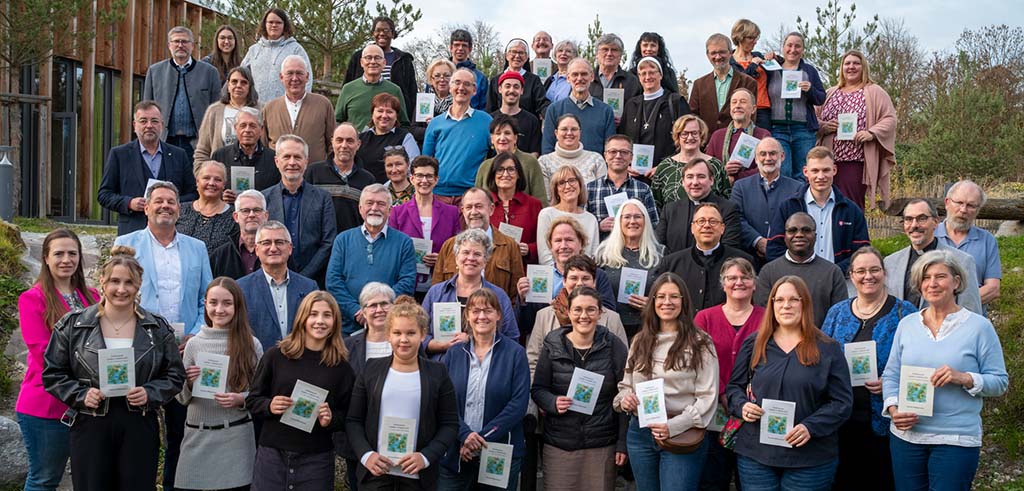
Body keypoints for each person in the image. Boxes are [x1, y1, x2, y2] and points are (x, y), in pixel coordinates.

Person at [42, 246, 186, 490]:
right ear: (102, 282)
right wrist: (81, 394)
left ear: (138, 285)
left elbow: (174, 375)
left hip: (139, 423)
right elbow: (53, 373)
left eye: (129, 282)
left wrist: (150, 392)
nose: (121, 289)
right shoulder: (73, 326)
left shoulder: (157, 328)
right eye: (115, 281)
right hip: (91, 422)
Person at [113, 180, 212, 490]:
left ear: (179, 209)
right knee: (134, 427)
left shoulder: (197, 247)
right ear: (147, 206)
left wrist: (195, 334)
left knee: (179, 429)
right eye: (159, 201)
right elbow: (115, 297)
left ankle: (173, 485)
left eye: (171, 201)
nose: (166, 206)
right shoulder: (126, 244)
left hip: (182, 351)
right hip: (137, 350)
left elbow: (205, 298)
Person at [882, 251, 1008, 491]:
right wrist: (893, 409)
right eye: (926, 277)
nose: (932, 283)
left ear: (957, 282)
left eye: (940, 276)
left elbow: (1000, 382)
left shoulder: (979, 327)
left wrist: (964, 377)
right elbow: (891, 375)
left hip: (956, 439)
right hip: (906, 437)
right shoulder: (907, 325)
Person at [727, 276, 853, 490]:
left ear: (805, 304)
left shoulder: (827, 348)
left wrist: (809, 427)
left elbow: (842, 403)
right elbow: (734, 388)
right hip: (757, 456)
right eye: (779, 300)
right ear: (772, 304)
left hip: (810, 457)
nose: (786, 306)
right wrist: (742, 406)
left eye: (794, 300)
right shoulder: (755, 343)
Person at [821, 247, 917, 491]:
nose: (868, 276)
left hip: (884, 421)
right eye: (860, 271)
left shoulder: (905, 313)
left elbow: (919, 361)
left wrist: (891, 381)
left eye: (874, 270)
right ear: (851, 275)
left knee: (881, 481)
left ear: (884, 273)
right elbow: (822, 359)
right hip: (841, 420)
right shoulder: (837, 313)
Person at [614, 273, 718, 491]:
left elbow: (708, 397)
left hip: (681, 433)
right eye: (660, 297)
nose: (667, 302)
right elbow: (626, 385)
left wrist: (674, 426)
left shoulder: (701, 342)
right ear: (652, 302)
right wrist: (626, 400)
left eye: (674, 296)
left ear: (684, 301)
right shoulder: (640, 340)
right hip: (641, 433)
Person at [345, 302, 460, 489]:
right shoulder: (371, 369)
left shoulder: (438, 373)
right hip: (376, 474)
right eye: (397, 333)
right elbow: (353, 420)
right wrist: (367, 455)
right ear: (388, 335)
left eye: (411, 333)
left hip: (418, 477)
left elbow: (449, 424)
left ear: (423, 334)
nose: (403, 339)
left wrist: (425, 457)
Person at [246, 291, 355, 491]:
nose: (320, 321)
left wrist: (330, 419)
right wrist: (270, 405)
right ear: (302, 318)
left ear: (335, 321)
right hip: (273, 455)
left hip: (316, 460)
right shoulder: (276, 356)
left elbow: (348, 416)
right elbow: (252, 400)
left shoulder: (342, 369)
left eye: (327, 315)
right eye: (313, 314)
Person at [17, 229, 99, 490]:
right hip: (47, 406)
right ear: (45, 258)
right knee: (44, 479)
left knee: (87, 479)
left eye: (72, 253)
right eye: (59, 253)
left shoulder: (94, 297)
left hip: (88, 405)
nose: (67, 259)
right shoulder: (32, 299)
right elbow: (42, 353)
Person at [531, 286, 628, 491]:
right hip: (560, 444)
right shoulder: (553, 343)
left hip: (602, 444)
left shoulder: (613, 345)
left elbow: (624, 393)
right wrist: (552, 402)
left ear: (600, 313)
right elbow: (538, 389)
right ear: (568, 312)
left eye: (591, 310)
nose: (584, 316)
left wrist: (622, 443)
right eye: (577, 310)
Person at [176, 277, 264, 491]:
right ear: (205, 304)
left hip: (236, 438)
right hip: (197, 436)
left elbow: (261, 394)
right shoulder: (194, 344)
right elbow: (181, 398)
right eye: (213, 302)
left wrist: (241, 398)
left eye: (227, 303)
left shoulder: (251, 344)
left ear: (237, 306)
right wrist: (188, 383)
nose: (219, 309)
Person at [439, 288, 531, 490]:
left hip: (499, 451)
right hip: (455, 451)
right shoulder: (453, 354)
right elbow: (442, 403)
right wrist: (464, 435)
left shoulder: (516, 353)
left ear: (498, 315)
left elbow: (518, 404)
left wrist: (479, 439)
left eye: (488, 310)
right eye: (476, 311)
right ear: (467, 316)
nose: (482, 316)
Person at [693, 257, 764, 491]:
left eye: (745, 277)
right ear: (723, 284)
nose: (738, 282)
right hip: (714, 410)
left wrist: (741, 399)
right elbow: (698, 362)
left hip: (754, 411)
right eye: (732, 278)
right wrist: (724, 393)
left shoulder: (767, 319)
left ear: (754, 283)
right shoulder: (705, 318)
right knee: (713, 477)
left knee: (750, 479)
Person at [326, 184, 417, 334]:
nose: (374, 208)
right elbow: (333, 281)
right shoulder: (343, 240)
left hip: (388, 325)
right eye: (369, 203)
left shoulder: (404, 242)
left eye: (381, 204)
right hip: (348, 326)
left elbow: (407, 282)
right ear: (360, 208)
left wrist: (380, 310)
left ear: (390, 210)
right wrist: (356, 311)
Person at [98, 100, 197, 235]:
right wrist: (129, 203)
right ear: (134, 125)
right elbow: (104, 195)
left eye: (154, 121)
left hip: (172, 232)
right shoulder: (119, 155)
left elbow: (193, 194)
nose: (149, 126)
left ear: (162, 125)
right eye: (143, 121)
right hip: (133, 231)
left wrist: (171, 204)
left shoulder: (179, 155)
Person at [766, 146, 870, 272]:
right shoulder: (788, 207)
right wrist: (796, 272)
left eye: (826, 170)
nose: (820, 176)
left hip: (840, 281)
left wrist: (834, 272)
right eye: (815, 171)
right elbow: (774, 250)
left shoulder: (851, 211)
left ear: (834, 170)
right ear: (805, 172)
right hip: (797, 281)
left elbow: (862, 252)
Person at [817, 49, 897, 209]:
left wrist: (871, 133)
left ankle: (855, 234)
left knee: (850, 205)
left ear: (863, 67)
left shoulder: (875, 92)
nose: (851, 67)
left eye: (856, 63)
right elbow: (812, 119)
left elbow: (890, 119)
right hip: (828, 161)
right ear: (842, 68)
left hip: (855, 160)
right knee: (825, 204)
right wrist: (824, 126)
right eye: (847, 63)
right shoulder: (830, 93)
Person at [337, 283, 397, 490]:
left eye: (384, 304)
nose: (379, 310)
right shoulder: (347, 347)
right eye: (372, 306)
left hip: (399, 436)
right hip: (358, 440)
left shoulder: (407, 344)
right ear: (362, 312)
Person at [423, 229, 519, 356]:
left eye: (477, 254)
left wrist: (473, 342)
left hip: (484, 368)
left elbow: (511, 338)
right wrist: (443, 345)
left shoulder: (498, 296)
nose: (471, 258)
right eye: (465, 252)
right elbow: (420, 335)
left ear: (485, 261)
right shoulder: (436, 293)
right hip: (440, 369)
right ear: (456, 258)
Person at [526, 255, 628, 373]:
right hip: (554, 389)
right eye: (573, 278)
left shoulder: (613, 319)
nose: (579, 283)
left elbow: (624, 364)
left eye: (585, 278)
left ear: (594, 282)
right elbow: (533, 360)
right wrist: (539, 390)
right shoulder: (543, 316)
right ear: (564, 281)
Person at [883, 199, 983, 315]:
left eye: (922, 218)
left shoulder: (962, 261)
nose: (914, 225)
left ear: (935, 222)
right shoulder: (890, 263)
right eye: (909, 219)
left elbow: (971, 310)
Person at [262, 134, 338, 284]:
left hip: (313, 280)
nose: (292, 162)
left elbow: (329, 242)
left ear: (306, 161)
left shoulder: (323, 198)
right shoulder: (264, 199)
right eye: (286, 157)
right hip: (272, 279)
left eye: (297, 157)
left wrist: (305, 276)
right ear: (277, 161)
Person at [237, 220, 318, 353]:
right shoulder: (241, 289)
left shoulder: (309, 287)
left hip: (300, 364)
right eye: (266, 243)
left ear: (290, 248)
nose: (273, 248)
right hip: (257, 366)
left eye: (279, 242)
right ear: (257, 250)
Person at [755, 213, 848, 328]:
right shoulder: (768, 272)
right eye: (792, 230)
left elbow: (839, 318)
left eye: (806, 230)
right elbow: (763, 316)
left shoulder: (833, 272)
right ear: (785, 237)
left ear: (815, 235)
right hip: (778, 343)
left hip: (820, 343)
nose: (799, 235)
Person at [656, 203, 754, 312]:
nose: (707, 226)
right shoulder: (671, 263)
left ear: (722, 228)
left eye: (713, 221)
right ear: (692, 228)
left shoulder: (745, 261)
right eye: (701, 221)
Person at [143, 26, 222, 161]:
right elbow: (146, 109)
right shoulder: (154, 71)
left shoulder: (209, 72)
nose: (180, 45)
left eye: (185, 42)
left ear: (192, 46)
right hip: (165, 141)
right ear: (169, 45)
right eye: (176, 41)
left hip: (197, 143)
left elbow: (218, 110)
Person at [433, 187, 525, 302]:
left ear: (491, 209)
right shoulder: (449, 246)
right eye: (468, 207)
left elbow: (515, 296)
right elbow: (437, 293)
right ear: (462, 210)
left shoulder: (509, 246)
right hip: (455, 318)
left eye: (479, 206)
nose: (474, 212)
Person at [390, 156, 462, 294]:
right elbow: (392, 250)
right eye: (419, 176)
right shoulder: (397, 213)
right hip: (407, 284)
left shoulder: (451, 212)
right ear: (412, 179)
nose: (424, 181)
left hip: (441, 283)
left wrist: (441, 258)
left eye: (429, 176)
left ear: (436, 180)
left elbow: (457, 249)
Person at [423, 68, 494, 203]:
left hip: (471, 197)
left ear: (475, 90)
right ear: (450, 87)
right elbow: (426, 162)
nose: (461, 88)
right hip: (438, 195)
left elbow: (495, 158)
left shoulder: (486, 121)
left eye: (467, 84)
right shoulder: (435, 123)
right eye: (457, 83)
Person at [594, 199, 662, 336]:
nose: (632, 221)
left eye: (637, 216)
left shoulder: (661, 254)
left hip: (648, 327)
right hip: (609, 328)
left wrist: (654, 303)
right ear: (619, 221)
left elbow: (669, 290)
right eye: (627, 217)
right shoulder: (602, 253)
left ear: (646, 221)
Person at [730, 137, 802, 263]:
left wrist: (776, 245)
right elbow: (736, 218)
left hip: (785, 258)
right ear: (756, 158)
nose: (768, 158)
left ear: (782, 156)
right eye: (763, 154)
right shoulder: (740, 187)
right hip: (749, 258)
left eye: (773, 153)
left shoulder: (797, 188)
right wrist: (757, 241)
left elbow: (799, 221)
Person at [517, 220, 618, 310]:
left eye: (569, 240)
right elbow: (527, 322)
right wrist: (522, 299)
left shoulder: (598, 275)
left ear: (581, 243)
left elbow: (609, 313)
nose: (563, 246)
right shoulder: (540, 277)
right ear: (550, 246)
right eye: (558, 241)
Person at [766, 32, 827, 179]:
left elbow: (821, 98)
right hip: (777, 129)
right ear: (783, 47)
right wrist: (766, 58)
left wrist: (810, 90)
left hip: (803, 130)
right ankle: (786, 202)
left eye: (797, 46)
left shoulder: (809, 71)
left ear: (803, 50)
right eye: (789, 45)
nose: (793, 49)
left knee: (804, 173)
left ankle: (801, 202)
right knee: (782, 172)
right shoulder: (771, 69)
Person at [655, 158, 743, 255]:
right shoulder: (670, 210)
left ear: (711, 180)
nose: (695, 182)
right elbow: (658, 246)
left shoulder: (728, 209)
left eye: (701, 176)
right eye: (690, 177)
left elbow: (729, 248)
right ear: (683, 182)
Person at [937, 180, 1001, 307]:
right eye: (959, 203)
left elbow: (993, 289)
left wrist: (956, 307)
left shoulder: (987, 240)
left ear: (978, 210)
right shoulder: (930, 236)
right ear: (947, 203)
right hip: (932, 318)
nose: (963, 210)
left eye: (971, 205)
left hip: (972, 319)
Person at [306, 123, 377, 233]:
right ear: (332, 142)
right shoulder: (313, 172)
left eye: (350, 141)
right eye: (339, 140)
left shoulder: (367, 179)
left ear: (358, 144)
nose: (344, 145)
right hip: (317, 244)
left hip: (351, 245)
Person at [263, 55, 335, 163]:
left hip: (314, 176)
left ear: (307, 77)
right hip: (277, 176)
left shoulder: (323, 104)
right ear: (281, 77)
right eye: (290, 73)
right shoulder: (269, 108)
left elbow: (332, 143)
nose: (295, 78)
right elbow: (263, 146)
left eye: (299, 73)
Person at [587, 135, 660, 241]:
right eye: (613, 152)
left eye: (624, 152)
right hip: (600, 253)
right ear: (605, 156)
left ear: (631, 158)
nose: (618, 156)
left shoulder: (643, 190)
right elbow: (581, 226)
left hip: (635, 253)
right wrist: (598, 226)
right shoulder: (590, 189)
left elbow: (654, 226)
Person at [619, 57, 690, 165]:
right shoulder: (631, 105)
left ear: (660, 75)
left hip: (668, 170)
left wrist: (664, 166)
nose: (647, 77)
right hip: (635, 172)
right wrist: (626, 166)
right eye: (643, 73)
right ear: (639, 77)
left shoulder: (676, 102)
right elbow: (623, 139)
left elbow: (686, 139)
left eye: (652, 72)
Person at [343, 16, 419, 118]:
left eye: (386, 30)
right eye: (378, 30)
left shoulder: (404, 60)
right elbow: (348, 86)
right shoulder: (359, 56)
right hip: (363, 114)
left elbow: (412, 92)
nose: (382, 33)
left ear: (392, 34)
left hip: (393, 116)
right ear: (373, 33)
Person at [650, 115, 729, 209]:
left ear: (701, 135)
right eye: (685, 133)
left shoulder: (716, 165)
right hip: (673, 223)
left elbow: (726, 201)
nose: (690, 137)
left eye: (694, 133)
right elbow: (655, 205)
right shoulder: (664, 167)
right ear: (677, 136)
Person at [542, 58, 616, 155]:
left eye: (584, 74)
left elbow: (610, 149)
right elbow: (547, 148)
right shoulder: (554, 109)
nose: (579, 78)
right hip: (562, 168)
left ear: (592, 77)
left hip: (595, 168)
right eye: (575, 74)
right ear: (568, 78)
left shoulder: (605, 111)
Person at [688, 34, 758, 135]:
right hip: (707, 144)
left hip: (737, 143)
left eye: (722, 52)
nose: (718, 57)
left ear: (730, 53)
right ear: (707, 55)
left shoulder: (748, 82)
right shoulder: (699, 84)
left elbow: (751, 116)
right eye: (713, 53)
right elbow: (693, 117)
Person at [241, 7, 312, 102]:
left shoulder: (295, 49)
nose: (274, 25)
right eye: (270, 22)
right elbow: (240, 75)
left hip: (285, 109)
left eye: (278, 22)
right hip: (256, 108)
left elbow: (308, 78)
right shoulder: (254, 50)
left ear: (284, 25)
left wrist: (301, 103)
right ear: (264, 24)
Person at [193, 66, 261, 166]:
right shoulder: (214, 111)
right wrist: (201, 172)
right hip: (221, 173)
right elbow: (202, 150)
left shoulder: (262, 110)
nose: (238, 85)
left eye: (244, 82)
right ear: (228, 85)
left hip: (256, 170)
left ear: (250, 86)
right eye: (234, 82)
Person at [486, 151, 544, 263]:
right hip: (491, 269)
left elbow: (545, 243)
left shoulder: (533, 205)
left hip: (524, 270)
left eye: (511, 169)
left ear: (518, 175)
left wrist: (529, 249)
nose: (505, 174)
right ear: (493, 175)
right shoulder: (484, 204)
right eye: (500, 170)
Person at [335, 44, 410, 131]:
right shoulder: (348, 89)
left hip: (386, 143)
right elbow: (338, 121)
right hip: (356, 143)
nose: (373, 62)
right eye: (368, 58)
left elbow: (404, 124)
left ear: (384, 62)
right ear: (361, 62)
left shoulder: (394, 90)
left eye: (377, 58)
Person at [705, 88, 771, 186]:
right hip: (722, 194)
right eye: (734, 102)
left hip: (753, 190)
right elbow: (707, 168)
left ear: (753, 109)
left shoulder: (763, 135)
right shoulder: (717, 136)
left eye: (743, 102)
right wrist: (724, 171)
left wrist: (736, 178)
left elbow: (767, 167)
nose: (737, 106)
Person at [476, 114, 547, 204]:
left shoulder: (530, 162)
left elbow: (541, 200)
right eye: (498, 133)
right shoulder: (485, 167)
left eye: (507, 133)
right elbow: (478, 201)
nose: (502, 138)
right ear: (492, 139)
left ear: (515, 138)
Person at [538, 165, 601, 263]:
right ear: (556, 190)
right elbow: (545, 255)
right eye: (562, 183)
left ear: (580, 184)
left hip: (583, 274)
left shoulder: (591, 219)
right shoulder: (546, 214)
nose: (567, 186)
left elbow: (592, 256)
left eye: (572, 180)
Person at [210, 106, 281, 193]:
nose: (247, 130)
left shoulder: (273, 158)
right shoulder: (220, 156)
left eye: (252, 126)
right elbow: (211, 189)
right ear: (236, 129)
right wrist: (221, 197)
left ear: (261, 130)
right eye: (243, 126)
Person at [354, 93, 419, 183]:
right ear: (372, 114)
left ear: (396, 116)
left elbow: (413, 168)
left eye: (389, 112)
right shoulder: (360, 139)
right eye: (380, 111)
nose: (384, 116)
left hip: (393, 192)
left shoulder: (405, 138)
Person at [176, 160, 239, 254]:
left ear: (223, 185)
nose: (211, 183)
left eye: (218, 179)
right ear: (197, 182)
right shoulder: (180, 210)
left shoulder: (234, 216)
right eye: (206, 178)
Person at [539, 114, 608, 196]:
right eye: (564, 129)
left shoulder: (596, 159)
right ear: (556, 133)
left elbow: (602, 195)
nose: (569, 133)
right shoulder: (544, 162)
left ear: (580, 132)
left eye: (574, 129)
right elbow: (546, 199)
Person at [210, 189, 269, 279]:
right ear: (236, 217)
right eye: (245, 211)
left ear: (266, 216)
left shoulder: (278, 251)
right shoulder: (220, 255)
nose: (251, 215)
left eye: (257, 210)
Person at [487, 39, 550, 118]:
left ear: (527, 57)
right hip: (501, 126)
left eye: (521, 53)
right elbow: (490, 108)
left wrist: (551, 115)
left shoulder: (534, 80)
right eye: (513, 52)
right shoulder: (495, 81)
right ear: (506, 55)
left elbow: (542, 104)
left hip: (528, 126)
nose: (517, 56)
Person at [729, 19, 773, 130]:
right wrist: (752, 65)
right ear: (739, 37)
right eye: (750, 38)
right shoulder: (730, 61)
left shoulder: (758, 55)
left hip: (763, 110)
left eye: (756, 38)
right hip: (741, 110)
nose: (754, 42)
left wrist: (774, 57)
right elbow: (739, 83)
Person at [489, 71, 543, 155]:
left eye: (516, 87)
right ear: (500, 89)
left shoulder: (532, 121)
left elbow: (534, 153)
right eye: (507, 86)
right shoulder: (489, 119)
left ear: (521, 91)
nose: (511, 90)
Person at [588, 34, 641, 104]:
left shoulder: (632, 81)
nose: (609, 54)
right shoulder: (586, 79)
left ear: (620, 55)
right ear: (596, 54)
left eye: (614, 50)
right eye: (605, 49)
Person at [448, 29, 489, 110]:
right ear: (451, 48)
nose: (460, 48)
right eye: (457, 45)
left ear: (470, 49)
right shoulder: (438, 74)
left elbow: (484, 108)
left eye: (464, 45)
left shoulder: (480, 78)